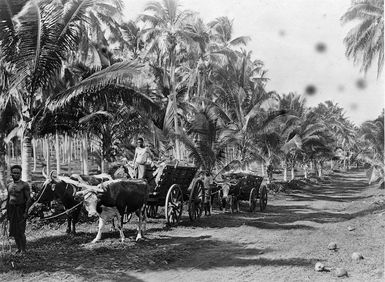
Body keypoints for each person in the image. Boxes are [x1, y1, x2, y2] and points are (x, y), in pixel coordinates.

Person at [6, 165, 31, 254]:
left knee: (21, 231)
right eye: (14, 173)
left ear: (20, 174)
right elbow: (8, 198)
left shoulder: (24, 185)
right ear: (11, 174)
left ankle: (23, 250)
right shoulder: (9, 185)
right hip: (11, 210)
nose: (16, 174)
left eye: (18, 173)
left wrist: (26, 212)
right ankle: (19, 248)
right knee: (14, 231)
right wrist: (7, 211)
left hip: (20, 210)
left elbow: (28, 199)